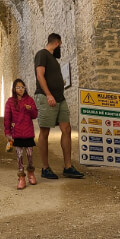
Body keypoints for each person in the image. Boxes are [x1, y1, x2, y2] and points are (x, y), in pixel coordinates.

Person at [34, 33, 84, 180]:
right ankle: (45, 168)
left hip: (60, 99)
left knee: (66, 129)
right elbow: (40, 75)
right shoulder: (42, 54)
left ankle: (68, 167)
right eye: (60, 45)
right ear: (57, 43)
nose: (60, 48)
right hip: (46, 97)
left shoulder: (54, 60)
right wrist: (48, 94)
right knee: (44, 132)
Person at [4, 78, 38, 190]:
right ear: (14, 89)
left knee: (30, 155)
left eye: (22, 87)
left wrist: (31, 109)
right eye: (18, 87)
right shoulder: (10, 101)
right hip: (17, 133)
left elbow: (35, 115)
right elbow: (7, 118)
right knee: (19, 156)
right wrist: (7, 132)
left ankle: (31, 173)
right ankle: (21, 177)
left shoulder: (29, 100)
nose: (21, 89)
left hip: (28, 132)